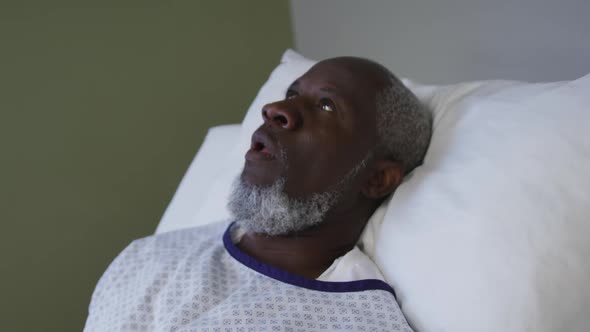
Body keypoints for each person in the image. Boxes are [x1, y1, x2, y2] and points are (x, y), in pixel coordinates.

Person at [84, 57, 432, 332]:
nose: (276, 109)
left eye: (326, 106)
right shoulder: (145, 258)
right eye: (292, 94)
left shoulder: (358, 323)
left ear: (376, 179)